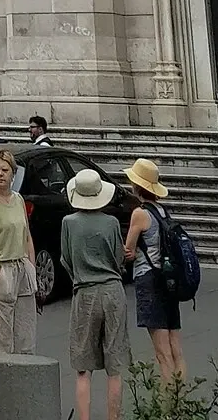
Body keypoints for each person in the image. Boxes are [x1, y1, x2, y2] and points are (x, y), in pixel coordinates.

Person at [59, 168, 130, 420]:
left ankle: (85, 418)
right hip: (112, 290)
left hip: (85, 291)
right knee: (115, 367)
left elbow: (65, 259)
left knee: (83, 367)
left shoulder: (68, 223)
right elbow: (120, 258)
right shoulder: (111, 223)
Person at [122, 158, 184, 384]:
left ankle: (167, 407)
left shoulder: (139, 214)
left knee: (161, 353)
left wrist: (127, 251)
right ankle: (182, 402)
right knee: (175, 348)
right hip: (169, 280)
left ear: (137, 186)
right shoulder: (162, 210)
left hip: (149, 279)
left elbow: (128, 251)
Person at [0, 147, 37, 355]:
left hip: (20, 266)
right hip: (1, 267)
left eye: (4, 170)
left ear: (13, 173)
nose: (0, 174)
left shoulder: (18, 199)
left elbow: (27, 234)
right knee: (0, 337)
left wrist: (31, 266)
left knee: (25, 333)